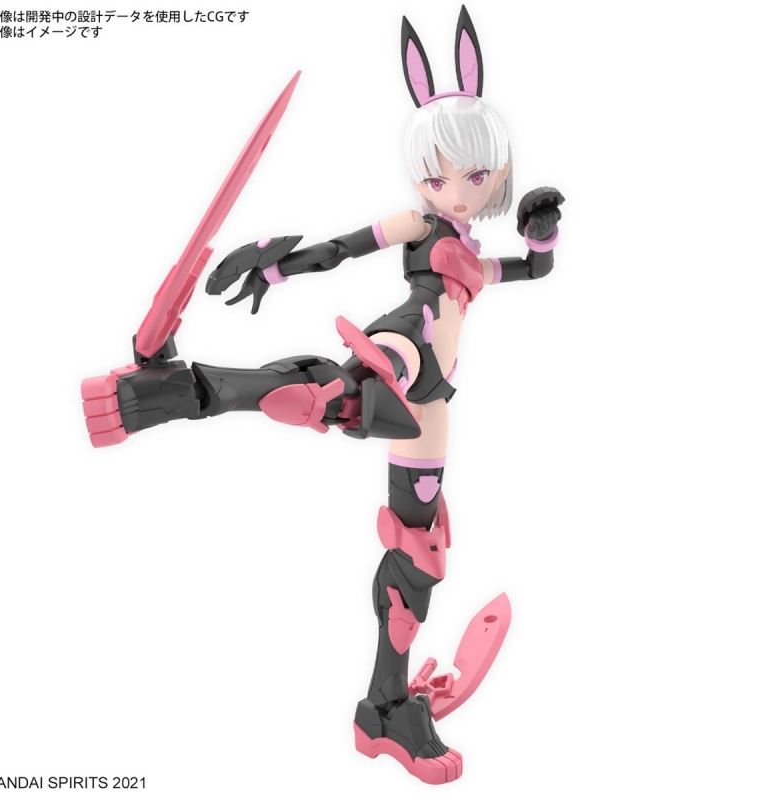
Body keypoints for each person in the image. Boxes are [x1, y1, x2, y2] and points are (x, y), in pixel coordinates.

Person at [83, 6, 563, 784]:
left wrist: (541, 229)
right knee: (344, 393)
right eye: (439, 174)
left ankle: (385, 710)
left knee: (420, 552)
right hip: (406, 344)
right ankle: (181, 391)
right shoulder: (420, 224)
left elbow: (535, 269)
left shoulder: (476, 258)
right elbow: (346, 246)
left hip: (435, 402)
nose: (456, 190)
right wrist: (276, 268)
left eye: (475, 176)